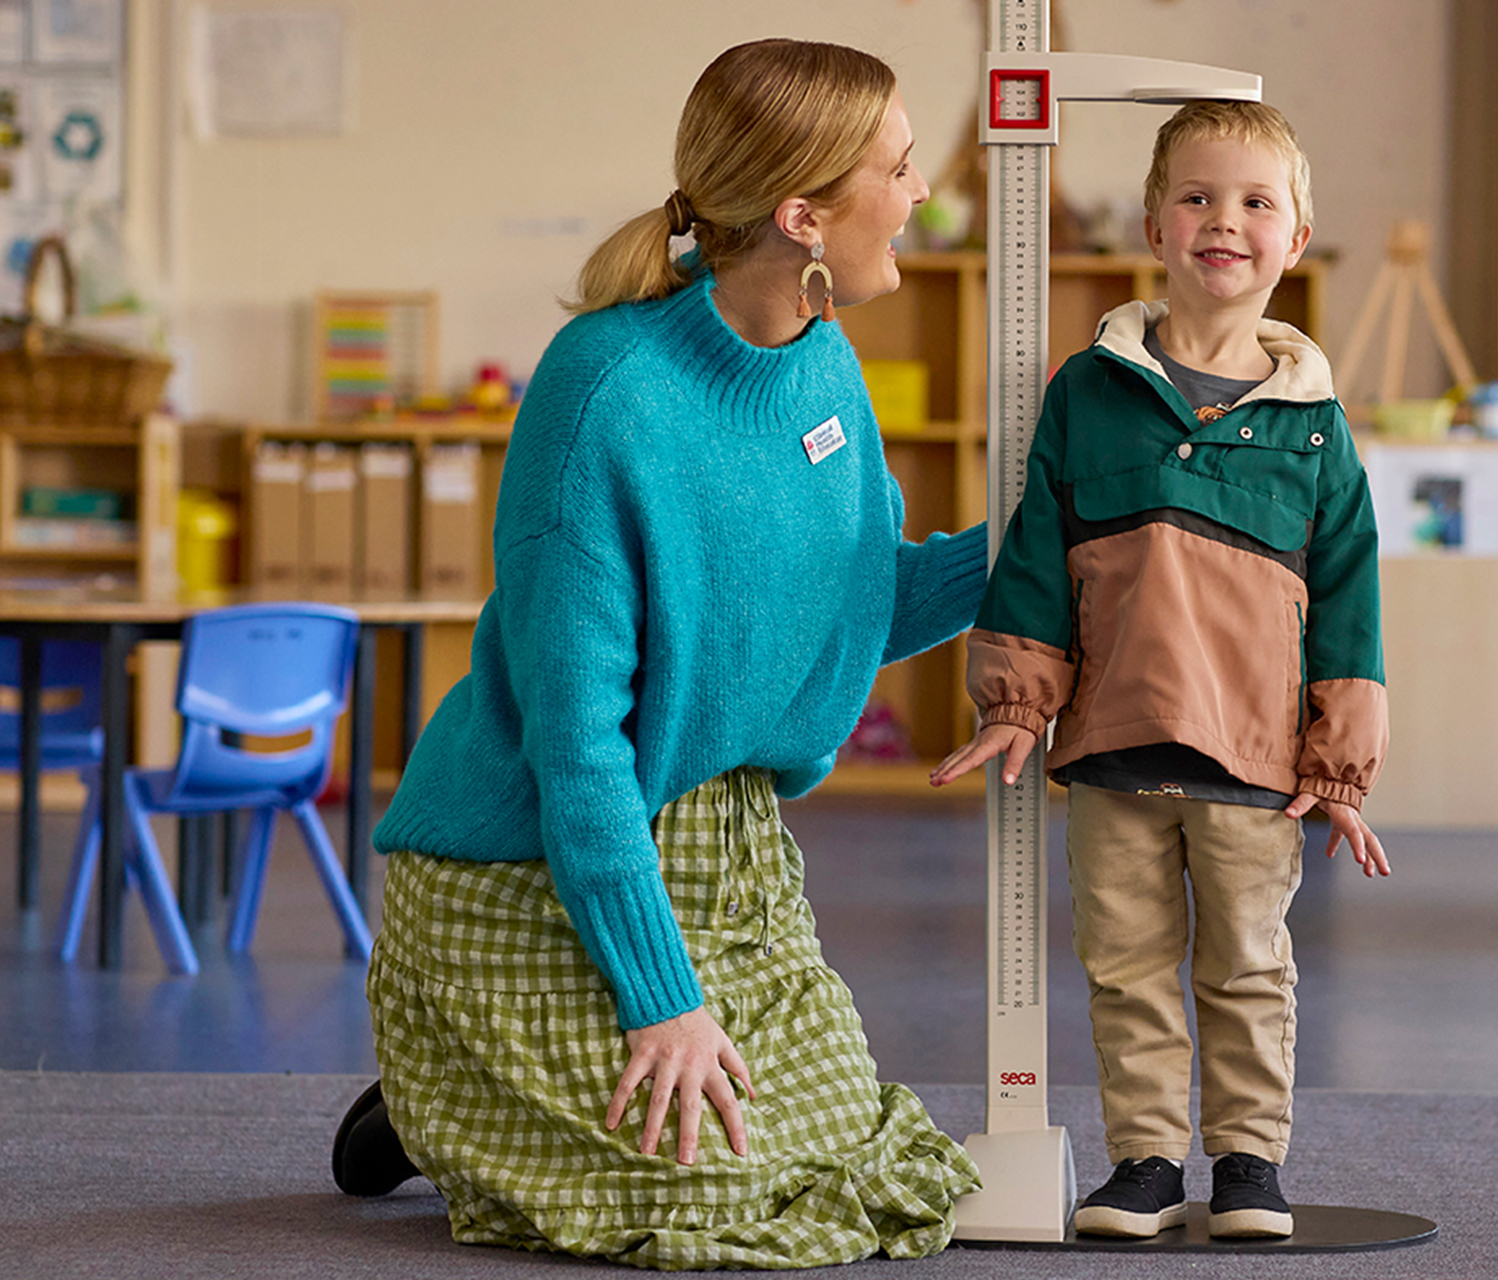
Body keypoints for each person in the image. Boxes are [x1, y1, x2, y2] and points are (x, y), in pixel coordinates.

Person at [331, 38, 988, 1270]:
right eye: (898, 172)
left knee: (846, 1154)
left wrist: (1033, 552)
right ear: (803, 216)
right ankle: (441, 1087)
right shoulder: (603, 395)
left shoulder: (826, 359)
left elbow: (852, 604)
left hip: (728, 851)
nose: (921, 196)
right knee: (721, 1198)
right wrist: (661, 997)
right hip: (535, 863)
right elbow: (577, 751)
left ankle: (476, 1096)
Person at [931, 99, 1391, 1240]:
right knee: (1126, 966)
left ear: (1295, 236)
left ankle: (1247, 1164)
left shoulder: (1320, 427)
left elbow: (1350, 605)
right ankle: (1143, 1161)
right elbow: (1039, 546)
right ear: (1152, 224)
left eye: (1253, 202)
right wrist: (1016, 700)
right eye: (1196, 196)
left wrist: (1338, 764)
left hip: (1254, 758)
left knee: (1245, 966)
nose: (1222, 221)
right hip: (1110, 744)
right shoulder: (1088, 392)